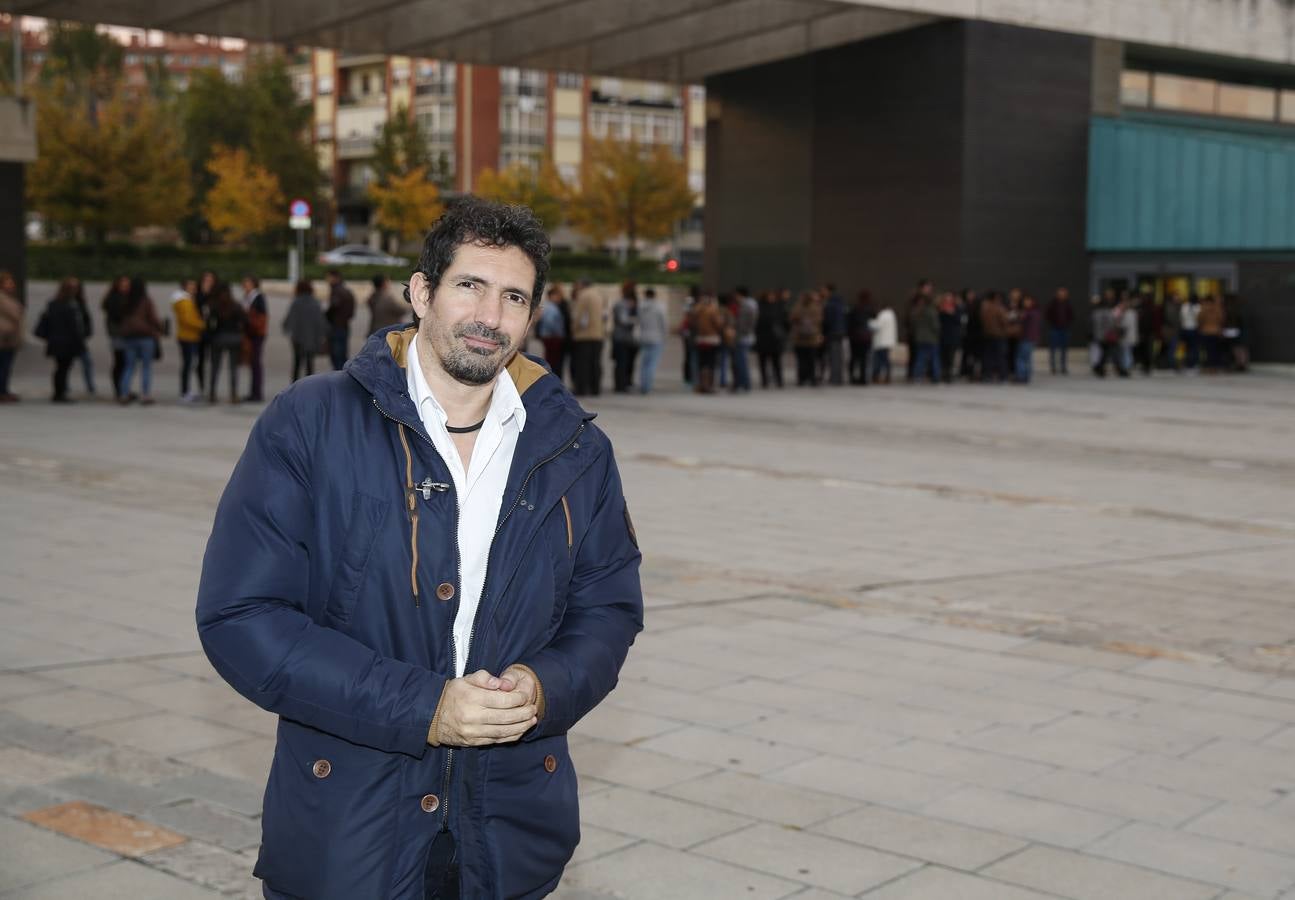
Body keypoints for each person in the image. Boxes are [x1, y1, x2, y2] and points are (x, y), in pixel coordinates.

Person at [197, 198, 643, 900]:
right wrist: (421, 706)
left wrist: (541, 687)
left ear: (533, 316)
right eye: (469, 285)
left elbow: (608, 609)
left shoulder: (576, 449)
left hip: (510, 830)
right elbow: (242, 616)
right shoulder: (309, 422)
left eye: (513, 296)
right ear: (420, 292)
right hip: (349, 832)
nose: (489, 317)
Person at [33, 278, 86, 403]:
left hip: (58, 341)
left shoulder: (55, 303)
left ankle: (60, 392)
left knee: (61, 367)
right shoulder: (70, 305)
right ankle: (59, 393)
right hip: (65, 342)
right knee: (63, 368)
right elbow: (74, 326)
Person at [117, 277, 163, 405]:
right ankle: (145, 395)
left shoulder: (126, 301)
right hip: (145, 337)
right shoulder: (146, 301)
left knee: (129, 366)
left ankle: (124, 394)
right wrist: (160, 329)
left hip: (129, 338)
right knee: (146, 367)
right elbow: (153, 318)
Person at [207, 281, 248, 403]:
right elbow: (245, 320)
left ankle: (212, 394)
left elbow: (210, 324)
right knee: (233, 368)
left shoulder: (214, 306)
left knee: (215, 367)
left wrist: (212, 335)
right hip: (234, 338)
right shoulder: (235, 305)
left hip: (219, 338)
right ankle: (233, 394)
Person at [283, 279, 328, 383]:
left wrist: (286, 328)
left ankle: (294, 387)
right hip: (311, 339)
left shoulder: (296, 302)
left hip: (297, 339)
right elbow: (321, 322)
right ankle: (309, 387)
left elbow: (289, 321)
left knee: (297, 364)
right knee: (309, 364)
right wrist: (323, 335)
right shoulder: (315, 302)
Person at [569, 278, 605, 396]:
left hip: (584, 335)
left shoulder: (583, 296)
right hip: (598, 334)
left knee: (582, 364)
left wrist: (573, 329)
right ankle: (595, 388)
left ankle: (581, 388)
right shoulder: (599, 295)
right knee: (595, 363)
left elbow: (579, 315)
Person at [172, 277, 206, 402]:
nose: (194, 288)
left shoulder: (187, 300)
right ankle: (185, 392)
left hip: (188, 336)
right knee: (188, 365)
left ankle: (186, 391)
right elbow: (188, 320)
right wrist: (202, 325)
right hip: (188, 337)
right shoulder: (184, 301)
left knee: (189, 364)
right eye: (191, 286)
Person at [101, 275, 132, 400]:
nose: (126, 287)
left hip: (126, 335)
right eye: (123, 284)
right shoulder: (114, 299)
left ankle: (123, 388)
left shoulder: (127, 298)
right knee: (120, 362)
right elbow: (117, 317)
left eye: (127, 284)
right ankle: (119, 390)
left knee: (126, 363)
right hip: (118, 335)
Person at [241, 275, 269, 402]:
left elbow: (262, 316)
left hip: (256, 334)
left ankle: (257, 392)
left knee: (255, 362)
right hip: (250, 334)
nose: (245, 286)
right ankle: (254, 391)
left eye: (248, 283)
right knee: (253, 363)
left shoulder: (257, 297)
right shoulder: (248, 297)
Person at [690, 291, 725, 393]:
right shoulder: (713, 310)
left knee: (702, 363)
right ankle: (709, 385)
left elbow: (692, 324)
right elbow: (719, 325)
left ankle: (701, 385)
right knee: (711, 363)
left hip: (700, 339)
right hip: (712, 340)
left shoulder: (696, 310)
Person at [637, 287, 668, 395]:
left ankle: (642, 384)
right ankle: (647, 386)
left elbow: (639, 322)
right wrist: (665, 336)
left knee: (644, 363)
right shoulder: (659, 307)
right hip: (656, 337)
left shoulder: (640, 307)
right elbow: (663, 323)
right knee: (652, 364)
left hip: (644, 336)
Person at [755, 289, 788, 389]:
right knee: (763, 362)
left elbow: (785, 321)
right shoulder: (760, 307)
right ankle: (765, 381)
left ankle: (779, 380)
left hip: (774, 339)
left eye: (772, 296)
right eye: (769, 296)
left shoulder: (777, 307)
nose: (771, 298)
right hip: (763, 338)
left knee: (776, 362)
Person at [789, 290, 823, 387]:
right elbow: (819, 321)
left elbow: (791, 319)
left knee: (802, 361)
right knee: (811, 361)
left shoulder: (797, 307)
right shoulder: (816, 307)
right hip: (812, 339)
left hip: (800, 339)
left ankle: (802, 379)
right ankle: (811, 379)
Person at [0, 271, 25, 402]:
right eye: (8, 282)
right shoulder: (2, 298)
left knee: (6, 366)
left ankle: (4, 390)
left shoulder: (9, 298)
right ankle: (2, 391)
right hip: (4, 338)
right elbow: (14, 316)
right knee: (3, 366)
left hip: (9, 338)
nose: (11, 285)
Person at [610, 282, 639, 393]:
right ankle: (620, 385)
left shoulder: (629, 303)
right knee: (622, 362)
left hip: (627, 338)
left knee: (626, 362)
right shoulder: (622, 304)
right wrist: (636, 320)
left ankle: (625, 383)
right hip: (622, 338)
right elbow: (623, 320)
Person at [325, 269, 357, 370]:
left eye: (329, 277)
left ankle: (339, 379)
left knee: (337, 356)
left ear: (335, 278)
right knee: (341, 355)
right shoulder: (345, 291)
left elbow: (333, 307)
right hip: (343, 326)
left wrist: (326, 316)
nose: (327, 280)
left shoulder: (338, 291)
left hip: (337, 327)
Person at [535, 285, 568, 382]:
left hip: (549, 337)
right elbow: (550, 323)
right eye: (557, 296)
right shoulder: (552, 308)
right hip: (552, 338)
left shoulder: (548, 307)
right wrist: (558, 333)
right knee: (553, 361)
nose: (559, 298)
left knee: (551, 359)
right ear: (552, 296)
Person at [910, 293, 941, 383]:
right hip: (931, 338)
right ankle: (936, 376)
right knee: (934, 358)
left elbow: (913, 324)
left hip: (920, 338)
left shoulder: (918, 311)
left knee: (920, 358)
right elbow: (936, 326)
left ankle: (917, 376)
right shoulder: (932, 312)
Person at [732, 285, 758, 392]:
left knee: (740, 362)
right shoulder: (751, 304)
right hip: (745, 335)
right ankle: (742, 383)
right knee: (741, 361)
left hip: (743, 337)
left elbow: (746, 323)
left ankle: (743, 383)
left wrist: (741, 331)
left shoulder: (747, 305)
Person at [979, 291, 1008, 383]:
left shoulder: (984, 308)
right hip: (998, 335)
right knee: (1000, 356)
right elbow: (1004, 321)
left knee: (987, 356)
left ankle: (987, 375)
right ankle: (1002, 376)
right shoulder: (999, 308)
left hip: (987, 335)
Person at [821, 283, 846, 386]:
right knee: (838, 356)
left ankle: (835, 378)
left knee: (834, 356)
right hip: (840, 332)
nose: (822, 292)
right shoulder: (840, 302)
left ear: (828, 291)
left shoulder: (831, 303)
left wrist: (824, 331)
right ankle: (838, 377)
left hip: (833, 332)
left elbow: (828, 320)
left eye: (823, 290)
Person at [847, 290, 873, 386]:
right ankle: (863, 378)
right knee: (863, 359)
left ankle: (852, 377)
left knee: (854, 358)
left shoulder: (854, 308)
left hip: (855, 337)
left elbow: (849, 322)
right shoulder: (869, 309)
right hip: (865, 337)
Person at [1045, 287, 1073, 375]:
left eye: (1063, 293)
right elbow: (1047, 315)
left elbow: (1071, 315)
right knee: (1053, 349)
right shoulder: (1052, 304)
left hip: (1065, 329)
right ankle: (1053, 367)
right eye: (1060, 293)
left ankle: (1063, 367)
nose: (1062, 295)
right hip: (1055, 328)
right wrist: (1053, 322)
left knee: (1064, 349)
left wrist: (1067, 323)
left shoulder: (1068, 304)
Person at [868, 302, 897, 384]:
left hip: (881, 342)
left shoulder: (883, 315)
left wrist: (869, 322)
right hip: (888, 341)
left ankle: (877, 376)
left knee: (879, 360)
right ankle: (887, 376)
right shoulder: (892, 315)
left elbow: (877, 326)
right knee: (885, 360)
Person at [1015, 293, 1041, 384]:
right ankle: (1026, 376)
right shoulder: (1036, 312)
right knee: (1027, 358)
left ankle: (1022, 376)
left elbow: (1020, 320)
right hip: (1031, 338)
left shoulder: (1029, 313)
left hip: (1026, 338)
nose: (1026, 303)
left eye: (1028, 301)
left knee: (1021, 358)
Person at [937, 292, 962, 384]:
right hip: (943, 337)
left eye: (950, 298)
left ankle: (949, 375)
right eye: (946, 298)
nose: (948, 300)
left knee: (951, 357)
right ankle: (943, 374)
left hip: (952, 337)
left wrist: (952, 313)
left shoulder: (956, 309)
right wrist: (944, 312)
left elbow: (959, 321)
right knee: (943, 357)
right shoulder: (940, 309)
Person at [1160, 292, 1182, 373]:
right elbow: (1172, 319)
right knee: (1171, 349)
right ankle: (1172, 365)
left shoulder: (1176, 306)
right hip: (1170, 332)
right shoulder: (1170, 307)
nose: (1179, 299)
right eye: (1177, 297)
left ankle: (1170, 364)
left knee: (1172, 349)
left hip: (1172, 331)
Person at [1180, 294, 1201, 372]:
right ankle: (1192, 363)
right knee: (1194, 347)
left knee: (1188, 348)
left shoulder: (1184, 306)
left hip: (1185, 329)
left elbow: (1181, 317)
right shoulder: (1198, 307)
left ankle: (1188, 363)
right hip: (1193, 329)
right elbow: (1199, 318)